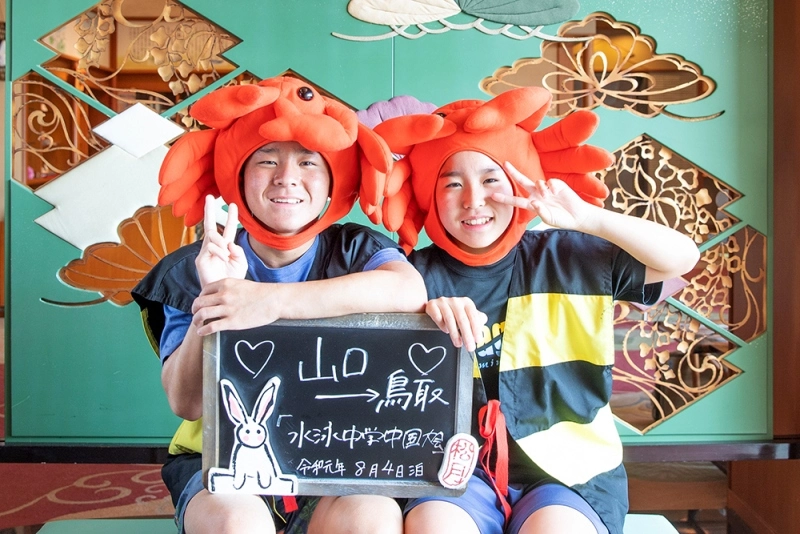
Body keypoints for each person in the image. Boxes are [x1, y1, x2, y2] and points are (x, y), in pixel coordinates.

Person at [373, 87, 700, 534]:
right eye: (452, 183)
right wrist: (419, 311)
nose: (474, 200)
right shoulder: (408, 278)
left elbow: (682, 258)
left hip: (570, 475)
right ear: (428, 193)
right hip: (449, 469)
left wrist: (588, 219)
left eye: (491, 179)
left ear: (518, 182)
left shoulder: (571, 255)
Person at [132, 76, 427, 534]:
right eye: (267, 160)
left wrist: (268, 301)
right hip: (220, 461)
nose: (286, 177)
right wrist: (215, 297)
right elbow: (185, 403)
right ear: (238, 176)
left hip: (338, 453)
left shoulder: (356, 250)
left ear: (332, 182)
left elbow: (408, 292)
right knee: (240, 524)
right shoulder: (194, 266)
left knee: (373, 517)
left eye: (308, 162)